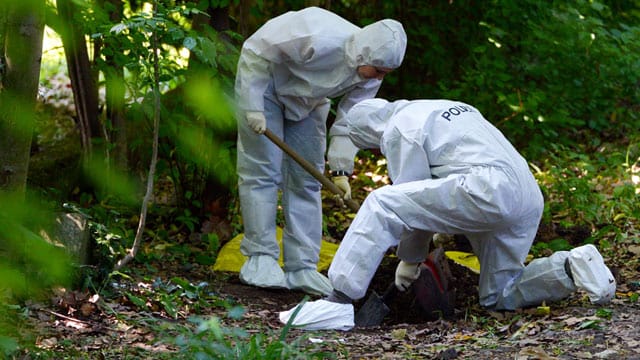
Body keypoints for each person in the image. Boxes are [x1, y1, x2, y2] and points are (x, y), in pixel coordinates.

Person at [279, 98, 617, 330]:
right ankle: (570, 267)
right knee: (500, 294)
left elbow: (408, 200)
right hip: (526, 194)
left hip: (486, 187)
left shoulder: (400, 127)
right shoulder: (445, 107)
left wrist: (410, 258)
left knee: (382, 203)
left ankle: (337, 301)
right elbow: (427, 195)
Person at [234, 7, 407, 296]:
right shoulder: (317, 32)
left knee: (307, 181)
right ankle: (260, 257)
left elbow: (350, 121)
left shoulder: (371, 74)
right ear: (364, 55)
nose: (380, 77)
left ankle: (301, 266)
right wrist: (252, 105)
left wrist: (341, 172)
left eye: (385, 73)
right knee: (262, 173)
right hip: (267, 90)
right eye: (379, 71)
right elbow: (256, 49)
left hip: (309, 103)